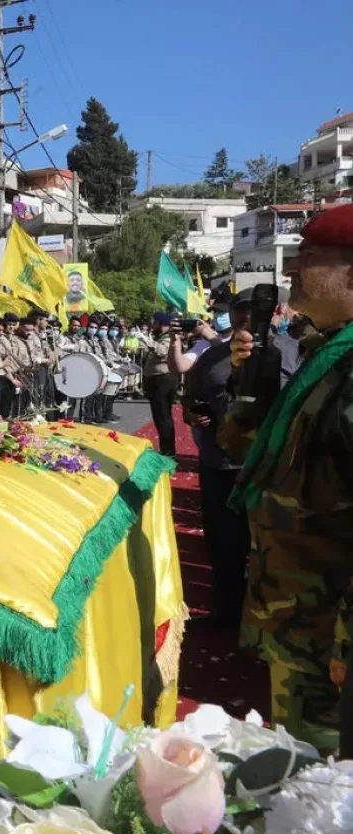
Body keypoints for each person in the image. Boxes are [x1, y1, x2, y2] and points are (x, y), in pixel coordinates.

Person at [218, 202, 353, 754]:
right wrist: (250, 388)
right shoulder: (328, 358)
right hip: (298, 620)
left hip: (331, 633)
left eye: (310, 258)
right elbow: (268, 462)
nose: (291, 270)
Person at [178, 297, 249, 630]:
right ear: (231, 315)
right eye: (240, 309)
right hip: (220, 462)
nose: (247, 316)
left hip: (270, 467)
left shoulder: (293, 351)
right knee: (222, 542)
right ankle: (226, 613)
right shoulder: (213, 357)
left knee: (268, 547)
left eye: (256, 309)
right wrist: (193, 413)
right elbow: (190, 401)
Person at [143, 312, 179, 457]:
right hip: (156, 381)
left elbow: (162, 351)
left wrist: (146, 340)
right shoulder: (160, 337)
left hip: (163, 380)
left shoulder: (169, 337)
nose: (153, 325)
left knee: (163, 417)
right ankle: (166, 449)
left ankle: (168, 452)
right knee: (159, 417)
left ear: (161, 324)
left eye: (155, 322)